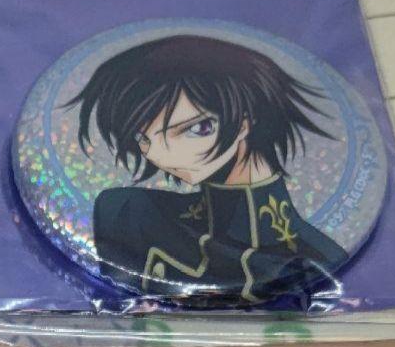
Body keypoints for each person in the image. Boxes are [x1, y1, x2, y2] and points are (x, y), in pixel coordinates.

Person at [70, 35, 348, 305]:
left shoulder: (314, 259)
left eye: (197, 128)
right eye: (144, 139)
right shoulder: (127, 212)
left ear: (245, 123)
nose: (161, 156)